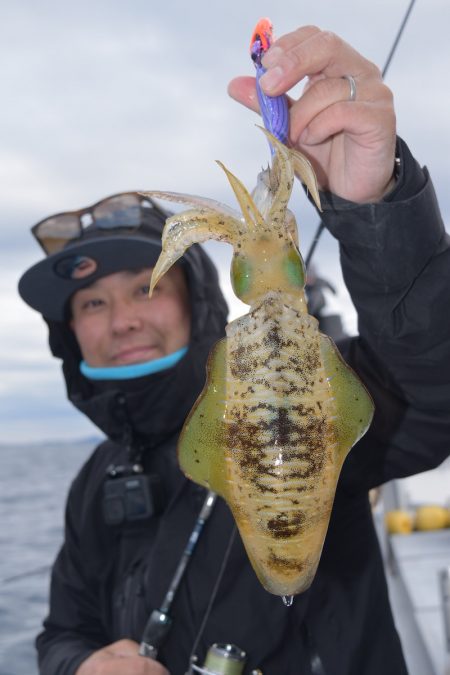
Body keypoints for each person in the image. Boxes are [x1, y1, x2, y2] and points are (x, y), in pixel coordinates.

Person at [18, 26, 450, 675]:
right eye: (93, 303)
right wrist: (79, 664)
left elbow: (429, 392)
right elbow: (62, 627)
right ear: (69, 330)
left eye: (146, 285)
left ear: (196, 298)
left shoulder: (323, 387)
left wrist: (376, 209)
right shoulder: (94, 483)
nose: (124, 319)